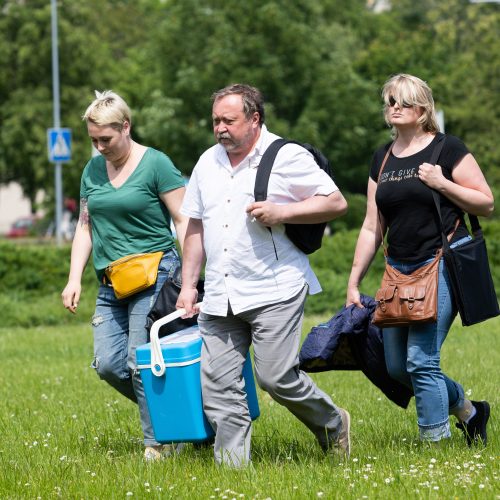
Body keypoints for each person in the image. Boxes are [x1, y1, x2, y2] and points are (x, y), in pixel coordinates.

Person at [177, 83, 350, 467]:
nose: (220, 128)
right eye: (215, 120)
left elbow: (336, 202)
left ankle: (334, 424)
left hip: (276, 287)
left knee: (276, 378)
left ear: (254, 119)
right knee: (219, 386)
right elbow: (194, 229)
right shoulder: (207, 162)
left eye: (229, 120)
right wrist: (189, 286)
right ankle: (233, 469)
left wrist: (283, 212)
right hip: (221, 292)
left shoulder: (286, 156)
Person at [346, 74, 493, 445]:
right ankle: (470, 412)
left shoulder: (447, 149)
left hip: (441, 262)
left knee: (421, 360)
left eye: (403, 101)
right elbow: (370, 226)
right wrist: (353, 281)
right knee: (397, 367)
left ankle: (435, 445)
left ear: (422, 107)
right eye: (390, 101)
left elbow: (486, 203)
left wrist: (442, 183)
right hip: (398, 270)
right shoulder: (382, 158)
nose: (394, 107)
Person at [61, 90, 188, 461]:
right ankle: (178, 415)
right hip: (111, 280)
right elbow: (86, 227)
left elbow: (183, 220)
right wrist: (73, 278)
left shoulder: (157, 164)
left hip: (155, 273)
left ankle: (158, 444)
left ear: (126, 126)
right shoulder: (92, 170)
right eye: (93, 140)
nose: (99, 147)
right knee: (109, 365)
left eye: (106, 139)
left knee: (139, 361)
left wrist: (191, 278)